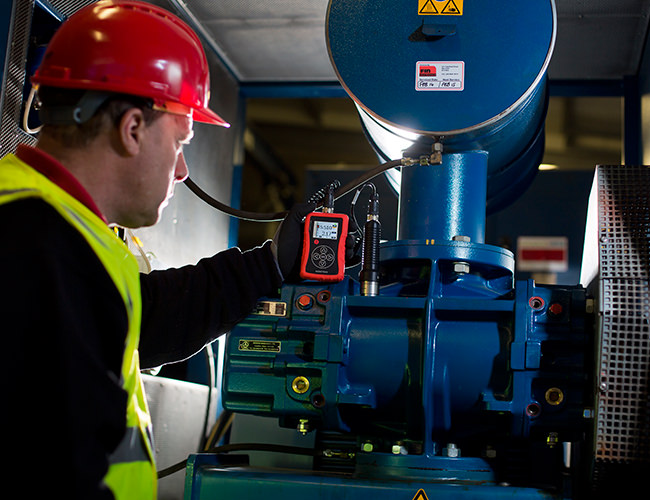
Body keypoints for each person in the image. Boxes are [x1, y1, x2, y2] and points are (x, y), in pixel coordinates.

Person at [0, 1, 311, 499]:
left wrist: (271, 264)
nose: (182, 170)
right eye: (180, 142)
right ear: (132, 130)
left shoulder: (64, 232)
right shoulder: (35, 241)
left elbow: (151, 317)